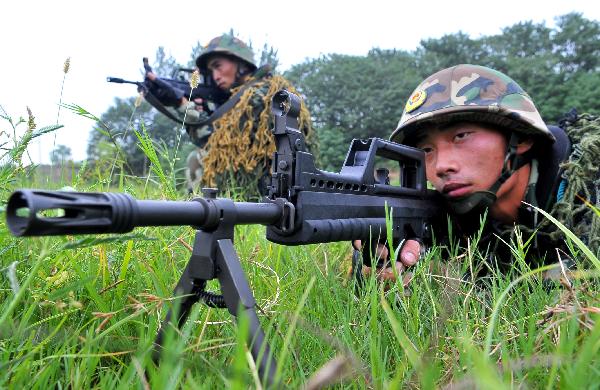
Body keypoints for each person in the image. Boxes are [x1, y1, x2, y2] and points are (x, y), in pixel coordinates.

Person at [356, 64, 599, 282]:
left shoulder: (586, 184)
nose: (441, 166)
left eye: (461, 136)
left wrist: (464, 279)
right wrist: (383, 258)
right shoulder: (447, 217)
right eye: (426, 149)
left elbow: (588, 277)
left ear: (521, 138)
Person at [181, 34, 316, 197]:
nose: (215, 76)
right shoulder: (260, 90)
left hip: (272, 188)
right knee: (198, 157)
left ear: (241, 63)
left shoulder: (259, 96)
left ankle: (202, 212)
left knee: (198, 158)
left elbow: (219, 145)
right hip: (277, 182)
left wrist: (186, 109)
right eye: (211, 71)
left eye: (218, 66)